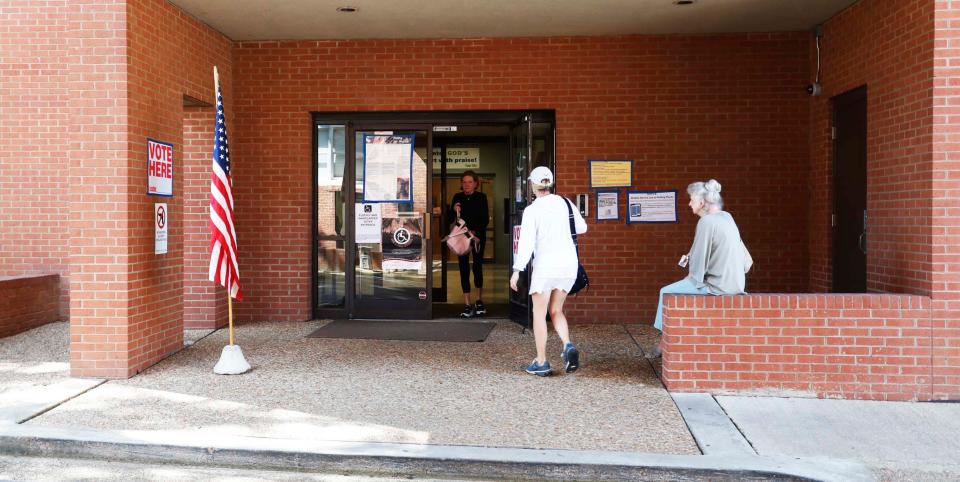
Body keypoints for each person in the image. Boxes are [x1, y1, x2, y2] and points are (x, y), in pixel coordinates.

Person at [647, 179, 748, 359]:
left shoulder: (706, 222)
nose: (689, 204)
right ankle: (664, 342)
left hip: (717, 286)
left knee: (666, 293)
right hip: (736, 283)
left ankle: (665, 341)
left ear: (702, 203)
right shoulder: (727, 217)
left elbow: (699, 263)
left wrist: (691, 278)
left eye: (692, 200)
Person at [510, 166, 587, 376]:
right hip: (568, 265)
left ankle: (542, 361)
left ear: (533, 185)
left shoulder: (532, 210)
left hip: (545, 266)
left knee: (539, 313)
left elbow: (525, 244)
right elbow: (582, 228)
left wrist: (517, 271)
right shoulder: (565, 203)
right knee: (557, 310)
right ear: (550, 183)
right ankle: (567, 344)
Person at [449, 170, 489, 318]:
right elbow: (450, 219)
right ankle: (467, 304)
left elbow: (485, 219)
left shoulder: (481, 197)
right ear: (461, 183)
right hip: (461, 239)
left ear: (476, 184)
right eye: (464, 182)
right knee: (463, 268)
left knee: (477, 267)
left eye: (470, 182)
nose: (466, 184)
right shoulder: (457, 197)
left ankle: (479, 301)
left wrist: (475, 233)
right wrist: (454, 210)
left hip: (477, 237)